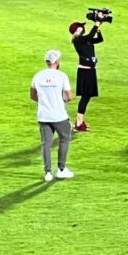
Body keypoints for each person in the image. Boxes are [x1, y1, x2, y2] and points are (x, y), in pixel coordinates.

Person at [30, 49, 74, 182]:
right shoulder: (61, 76)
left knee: (46, 144)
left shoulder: (38, 76)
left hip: (43, 116)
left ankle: (48, 172)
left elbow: (32, 96)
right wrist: (61, 101)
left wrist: (44, 101)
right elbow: (69, 96)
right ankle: (61, 169)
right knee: (64, 139)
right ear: (57, 62)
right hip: (59, 115)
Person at [70, 18, 104, 131]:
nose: (83, 28)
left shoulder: (85, 40)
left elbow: (99, 39)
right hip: (85, 72)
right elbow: (89, 36)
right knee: (85, 96)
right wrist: (96, 23)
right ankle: (79, 123)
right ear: (78, 29)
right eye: (81, 26)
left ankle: (79, 121)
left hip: (90, 70)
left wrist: (98, 28)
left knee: (87, 96)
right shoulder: (78, 40)